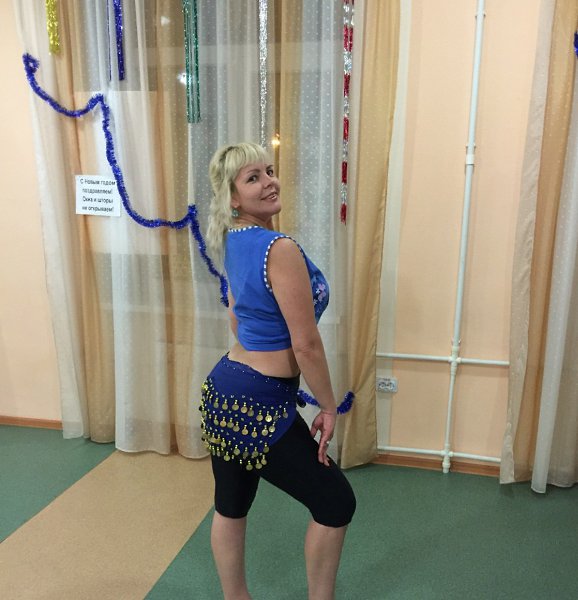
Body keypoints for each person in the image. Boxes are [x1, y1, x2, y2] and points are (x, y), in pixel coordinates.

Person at [201, 142, 356, 600]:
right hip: (259, 401)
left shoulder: (234, 241)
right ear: (232, 197)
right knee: (335, 502)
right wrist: (328, 406)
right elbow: (306, 344)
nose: (269, 182)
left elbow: (236, 318)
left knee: (231, 506)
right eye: (253, 178)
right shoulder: (279, 248)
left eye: (268, 171)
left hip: (222, 391)